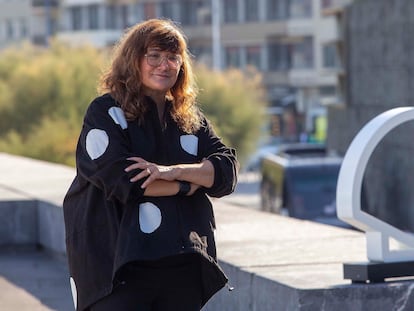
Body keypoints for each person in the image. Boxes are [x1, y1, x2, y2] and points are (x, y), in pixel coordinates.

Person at [63, 18, 238, 311]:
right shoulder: (106, 113)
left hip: (182, 261)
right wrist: (191, 183)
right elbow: (126, 182)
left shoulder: (188, 119)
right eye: (153, 56)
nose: (164, 65)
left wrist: (173, 172)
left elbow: (226, 171)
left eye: (172, 57)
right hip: (118, 267)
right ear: (134, 60)